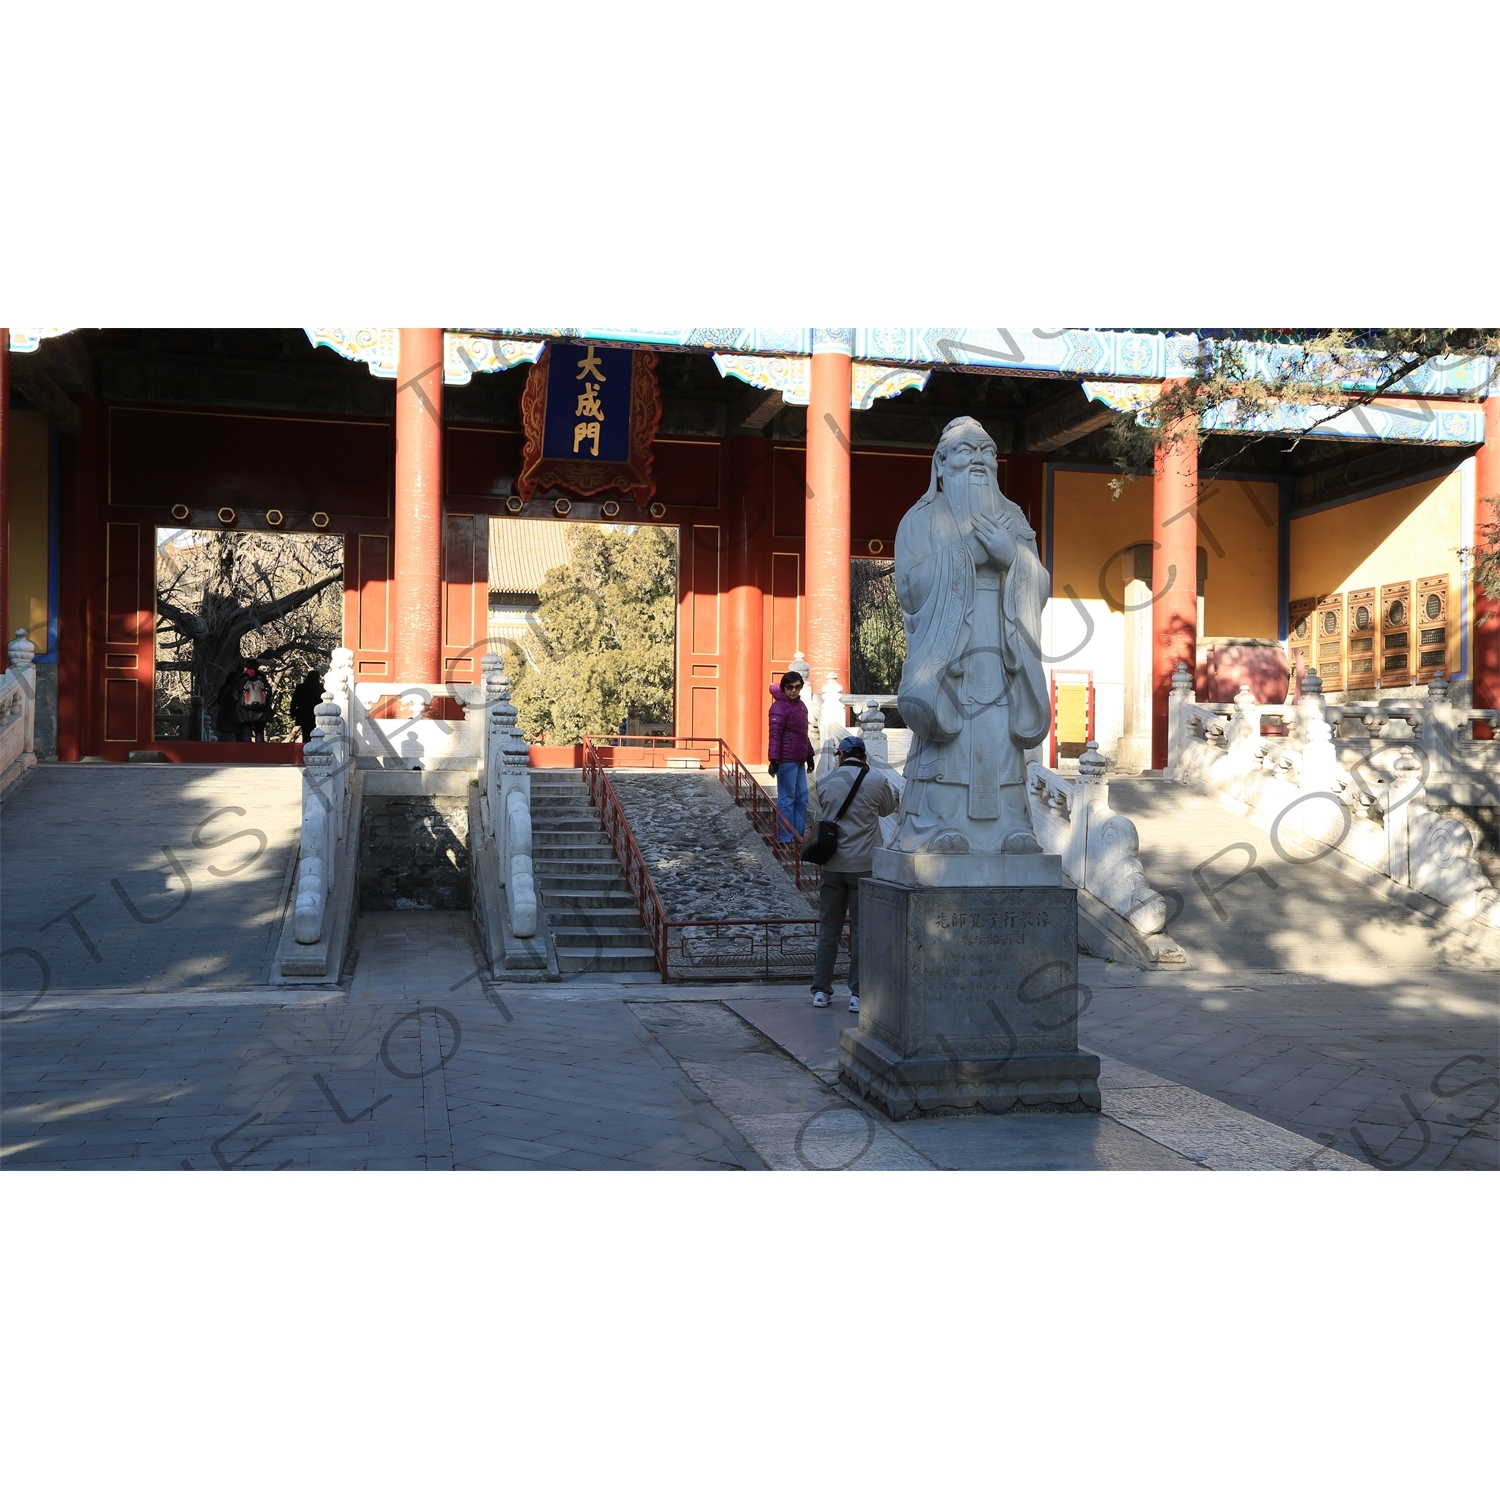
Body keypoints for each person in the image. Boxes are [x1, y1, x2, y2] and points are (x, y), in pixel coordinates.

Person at [893, 415, 1049, 855]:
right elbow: (911, 587)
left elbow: (1039, 583)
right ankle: (935, 824)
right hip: (949, 651)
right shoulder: (921, 518)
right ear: (941, 463)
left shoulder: (1012, 517)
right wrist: (966, 557)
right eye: (966, 451)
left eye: (986, 452)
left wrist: (1011, 558)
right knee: (950, 741)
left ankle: (1012, 827)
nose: (978, 459)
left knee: (1000, 733)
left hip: (1000, 648)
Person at [805, 735, 900, 1013]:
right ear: (865, 757)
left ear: (841, 756)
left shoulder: (825, 781)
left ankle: (821, 990)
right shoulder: (878, 781)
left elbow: (823, 810)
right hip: (865, 865)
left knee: (829, 930)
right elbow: (887, 810)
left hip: (832, 864)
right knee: (861, 932)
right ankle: (857, 993)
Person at [766, 670, 815, 842]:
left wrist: (810, 756)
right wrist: (774, 760)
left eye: (797, 687)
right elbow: (775, 734)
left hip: (799, 759)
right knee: (787, 799)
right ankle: (785, 838)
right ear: (783, 687)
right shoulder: (778, 707)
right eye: (790, 687)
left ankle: (798, 836)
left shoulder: (801, 706)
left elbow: (804, 733)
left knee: (802, 799)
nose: (794, 690)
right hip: (786, 760)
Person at [216, 657, 274, 744]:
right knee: (259, 732)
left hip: (246, 711)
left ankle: (247, 753)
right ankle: (260, 752)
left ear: (246, 667)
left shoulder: (242, 678)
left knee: (247, 733)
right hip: (261, 710)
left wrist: (243, 701)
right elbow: (268, 693)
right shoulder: (262, 678)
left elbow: (235, 695)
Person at [290, 667, 326, 743]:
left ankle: (306, 748)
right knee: (317, 733)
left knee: (306, 734)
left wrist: (293, 712)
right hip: (316, 714)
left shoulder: (301, 687)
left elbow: (294, 701)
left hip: (303, 713)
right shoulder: (320, 688)